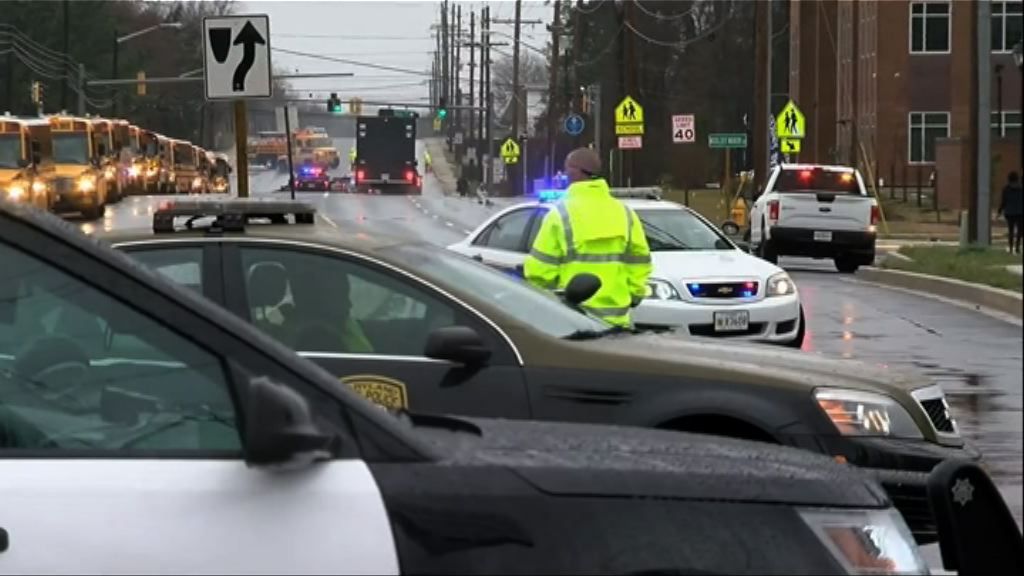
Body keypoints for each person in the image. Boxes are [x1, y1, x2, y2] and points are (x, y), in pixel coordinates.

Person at [524, 148, 652, 328]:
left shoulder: (560, 214)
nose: (564, 174)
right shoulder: (624, 213)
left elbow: (540, 273)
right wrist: (634, 296)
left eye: (567, 169)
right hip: (618, 324)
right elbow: (640, 263)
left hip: (571, 322)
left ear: (576, 172)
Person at [998, 171, 1022, 254]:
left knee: (1010, 230)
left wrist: (999, 211)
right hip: (1020, 212)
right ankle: (1017, 247)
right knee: (1019, 231)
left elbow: (1003, 202)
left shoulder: (1006, 189)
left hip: (1009, 212)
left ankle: (1011, 248)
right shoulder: (1020, 188)